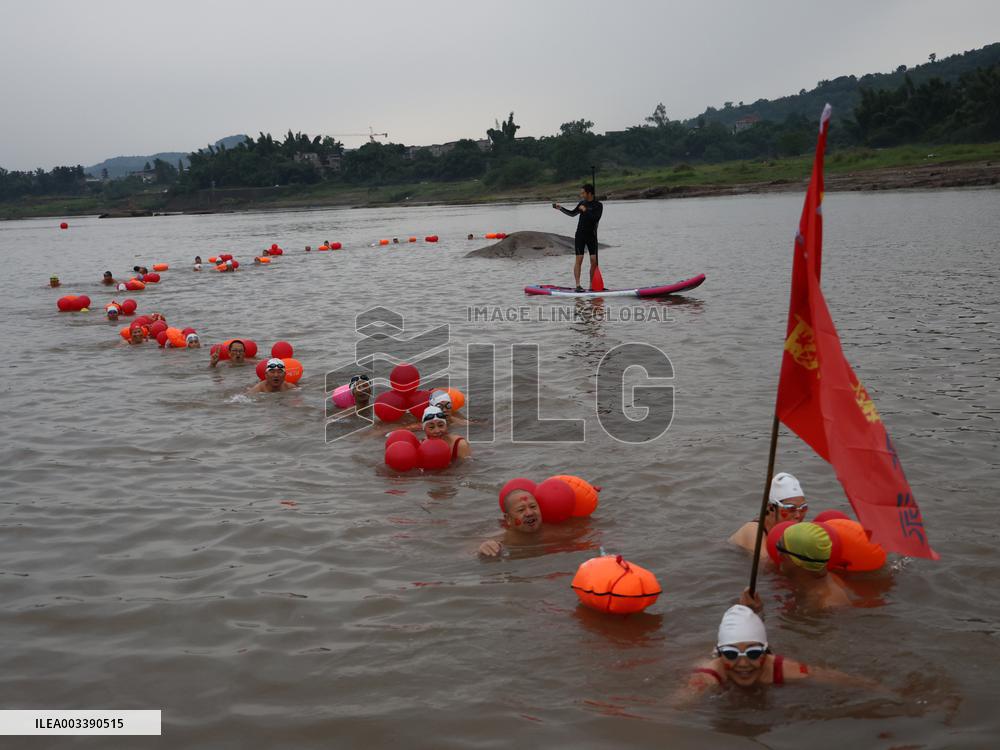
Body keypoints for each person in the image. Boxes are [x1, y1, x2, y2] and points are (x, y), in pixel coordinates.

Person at [729, 472, 810, 561]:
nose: (798, 515)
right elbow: (767, 567)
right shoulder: (753, 530)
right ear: (771, 508)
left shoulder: (791, 531)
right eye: (790, 508)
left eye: (803, 508)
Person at [771, 521, 852, 609]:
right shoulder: (812, 583)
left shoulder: (825, 605)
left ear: (798, 560)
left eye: (780, 547)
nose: (778, 554)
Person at [552, 182, 603, 292]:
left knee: (594, 261)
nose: (581, 195)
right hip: (580, 235)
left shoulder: (598, 205)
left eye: (583, 193)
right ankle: (578, 285)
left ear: (589, 193)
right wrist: (560, 208)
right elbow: (572, 214)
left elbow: (596, 218)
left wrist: (586, 211)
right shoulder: (582, 203)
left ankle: (591, 285)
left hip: (592, 236)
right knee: (579, 259)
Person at [478, 482, 543, 557]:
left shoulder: (552, 529)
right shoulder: (504, 539)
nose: (529, 513)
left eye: (533, 506)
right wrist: (484, 547)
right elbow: (468, 549)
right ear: (508, 519)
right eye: (521, 510)